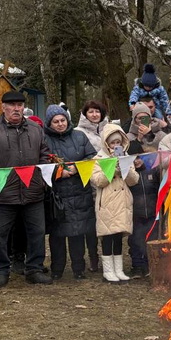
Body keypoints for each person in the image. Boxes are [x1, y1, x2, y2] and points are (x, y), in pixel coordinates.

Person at [0, 90, 52, 287]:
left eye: (20, 105)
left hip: (33, 192)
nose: (16, 109)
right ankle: (1, 271)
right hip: (3, 195)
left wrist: (41, 181)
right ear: (3, 107)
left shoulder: (36, 129)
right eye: (12, 105)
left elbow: (45, 156)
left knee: (37, 232)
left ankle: (34, 268)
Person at [43, 104, 97, 280]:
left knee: (77, 232)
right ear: (50, 124)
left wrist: (78, 169)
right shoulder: (44, 140)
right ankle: (57, 269)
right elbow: (40, 163)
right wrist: (58, 172)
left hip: (79, 190)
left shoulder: (79, 136)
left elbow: (92, 157)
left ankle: (78, 268)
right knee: (57, 234)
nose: (60, 124)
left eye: (62, 120)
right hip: (57, 193)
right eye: (56, 121)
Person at [91, 124, 140, 283]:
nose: (116, 146)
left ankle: (118, 269)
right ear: (106, 143)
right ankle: (108, 270)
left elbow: (134, 181)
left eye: (118, 142)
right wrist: (112, 168)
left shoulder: (126, 157)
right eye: (112, 143)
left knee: (119, 235)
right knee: (108, 236)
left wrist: (126, 168)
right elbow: (98, 181)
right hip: (107, 202)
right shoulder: (98, 159)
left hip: (123, 201)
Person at [75, 99, 109, 272]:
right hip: (87, 182)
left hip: (108, 181)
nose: (94, 115)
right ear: (85, 114)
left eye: (97, 111)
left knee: (107, 222)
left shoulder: (109, 130)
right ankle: (93, 258)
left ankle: (108, 258)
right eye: (91, 112)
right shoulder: (78, 133)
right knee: (90, 224)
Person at [128, 141, 162, 278]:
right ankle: (137, 266)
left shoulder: (152, 169)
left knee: (151, 239)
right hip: (135, 213)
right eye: (132, 158)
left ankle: (149, 265)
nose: (136, 161)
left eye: (138, 157)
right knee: (135, 240)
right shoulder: (129, 174)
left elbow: (159, 188)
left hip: (152, 210)